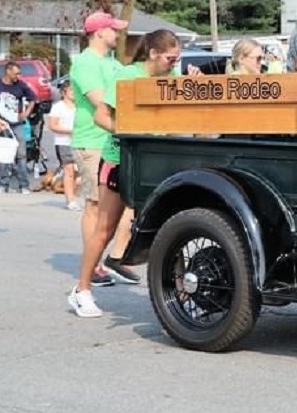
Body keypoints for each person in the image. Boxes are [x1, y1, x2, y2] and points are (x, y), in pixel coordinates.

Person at [72, 29, 185, 318]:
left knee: (173, 226)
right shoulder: (126, 76)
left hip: (155, 160)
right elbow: (101, 116)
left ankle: (182, 293)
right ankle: (81, 290)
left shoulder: (170, 79)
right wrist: (129, 132)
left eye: (177, 59)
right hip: (119, 157)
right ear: (153, 54)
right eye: (170, 58)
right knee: (105, 228)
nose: (173, 63)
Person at [68, 11, 134, 311]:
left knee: (117, 206)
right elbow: (100, 101)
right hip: (91, 139)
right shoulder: (85, 63)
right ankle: (92, 266)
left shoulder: (112, 63)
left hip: (113, 141)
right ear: (98, 33)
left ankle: (110, 257)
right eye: (113, 30)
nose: (118, 34)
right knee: (95, 204)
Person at [0, 61, 37, 194]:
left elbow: (33, 98)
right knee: (4, 155)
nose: (18, 76)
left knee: (21, 154)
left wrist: (26, 113)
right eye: (16, 73)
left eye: (19, 73)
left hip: (17, 123)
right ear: (8, 71)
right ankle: (4, 183)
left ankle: (24, 184)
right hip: (2, 124)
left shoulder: (21, 85)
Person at [46, 80, 81, 211]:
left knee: (79, 173)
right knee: (69, 170)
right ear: (64, 92)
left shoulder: (79, 106)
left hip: (79, 142)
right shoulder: (58, 107)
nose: (74, 93)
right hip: (64, 142)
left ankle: (73, 194)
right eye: (71, 90)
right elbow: (53, 125)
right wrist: (70, 131)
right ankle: (70, 200)